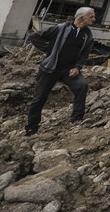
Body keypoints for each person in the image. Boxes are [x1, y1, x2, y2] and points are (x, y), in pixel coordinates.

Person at [25, 7, 96, 136]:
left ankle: (77, 119)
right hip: (50, 69)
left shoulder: (88, 35)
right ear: (81, 18)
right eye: (91, 17)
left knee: (82, 86)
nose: (94, 19)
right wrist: (49, 49)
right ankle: (31, 128)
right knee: (39, 98)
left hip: (68, 69)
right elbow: (35, 36)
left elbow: (85, 54)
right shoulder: (61, 28)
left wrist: (77, 67)